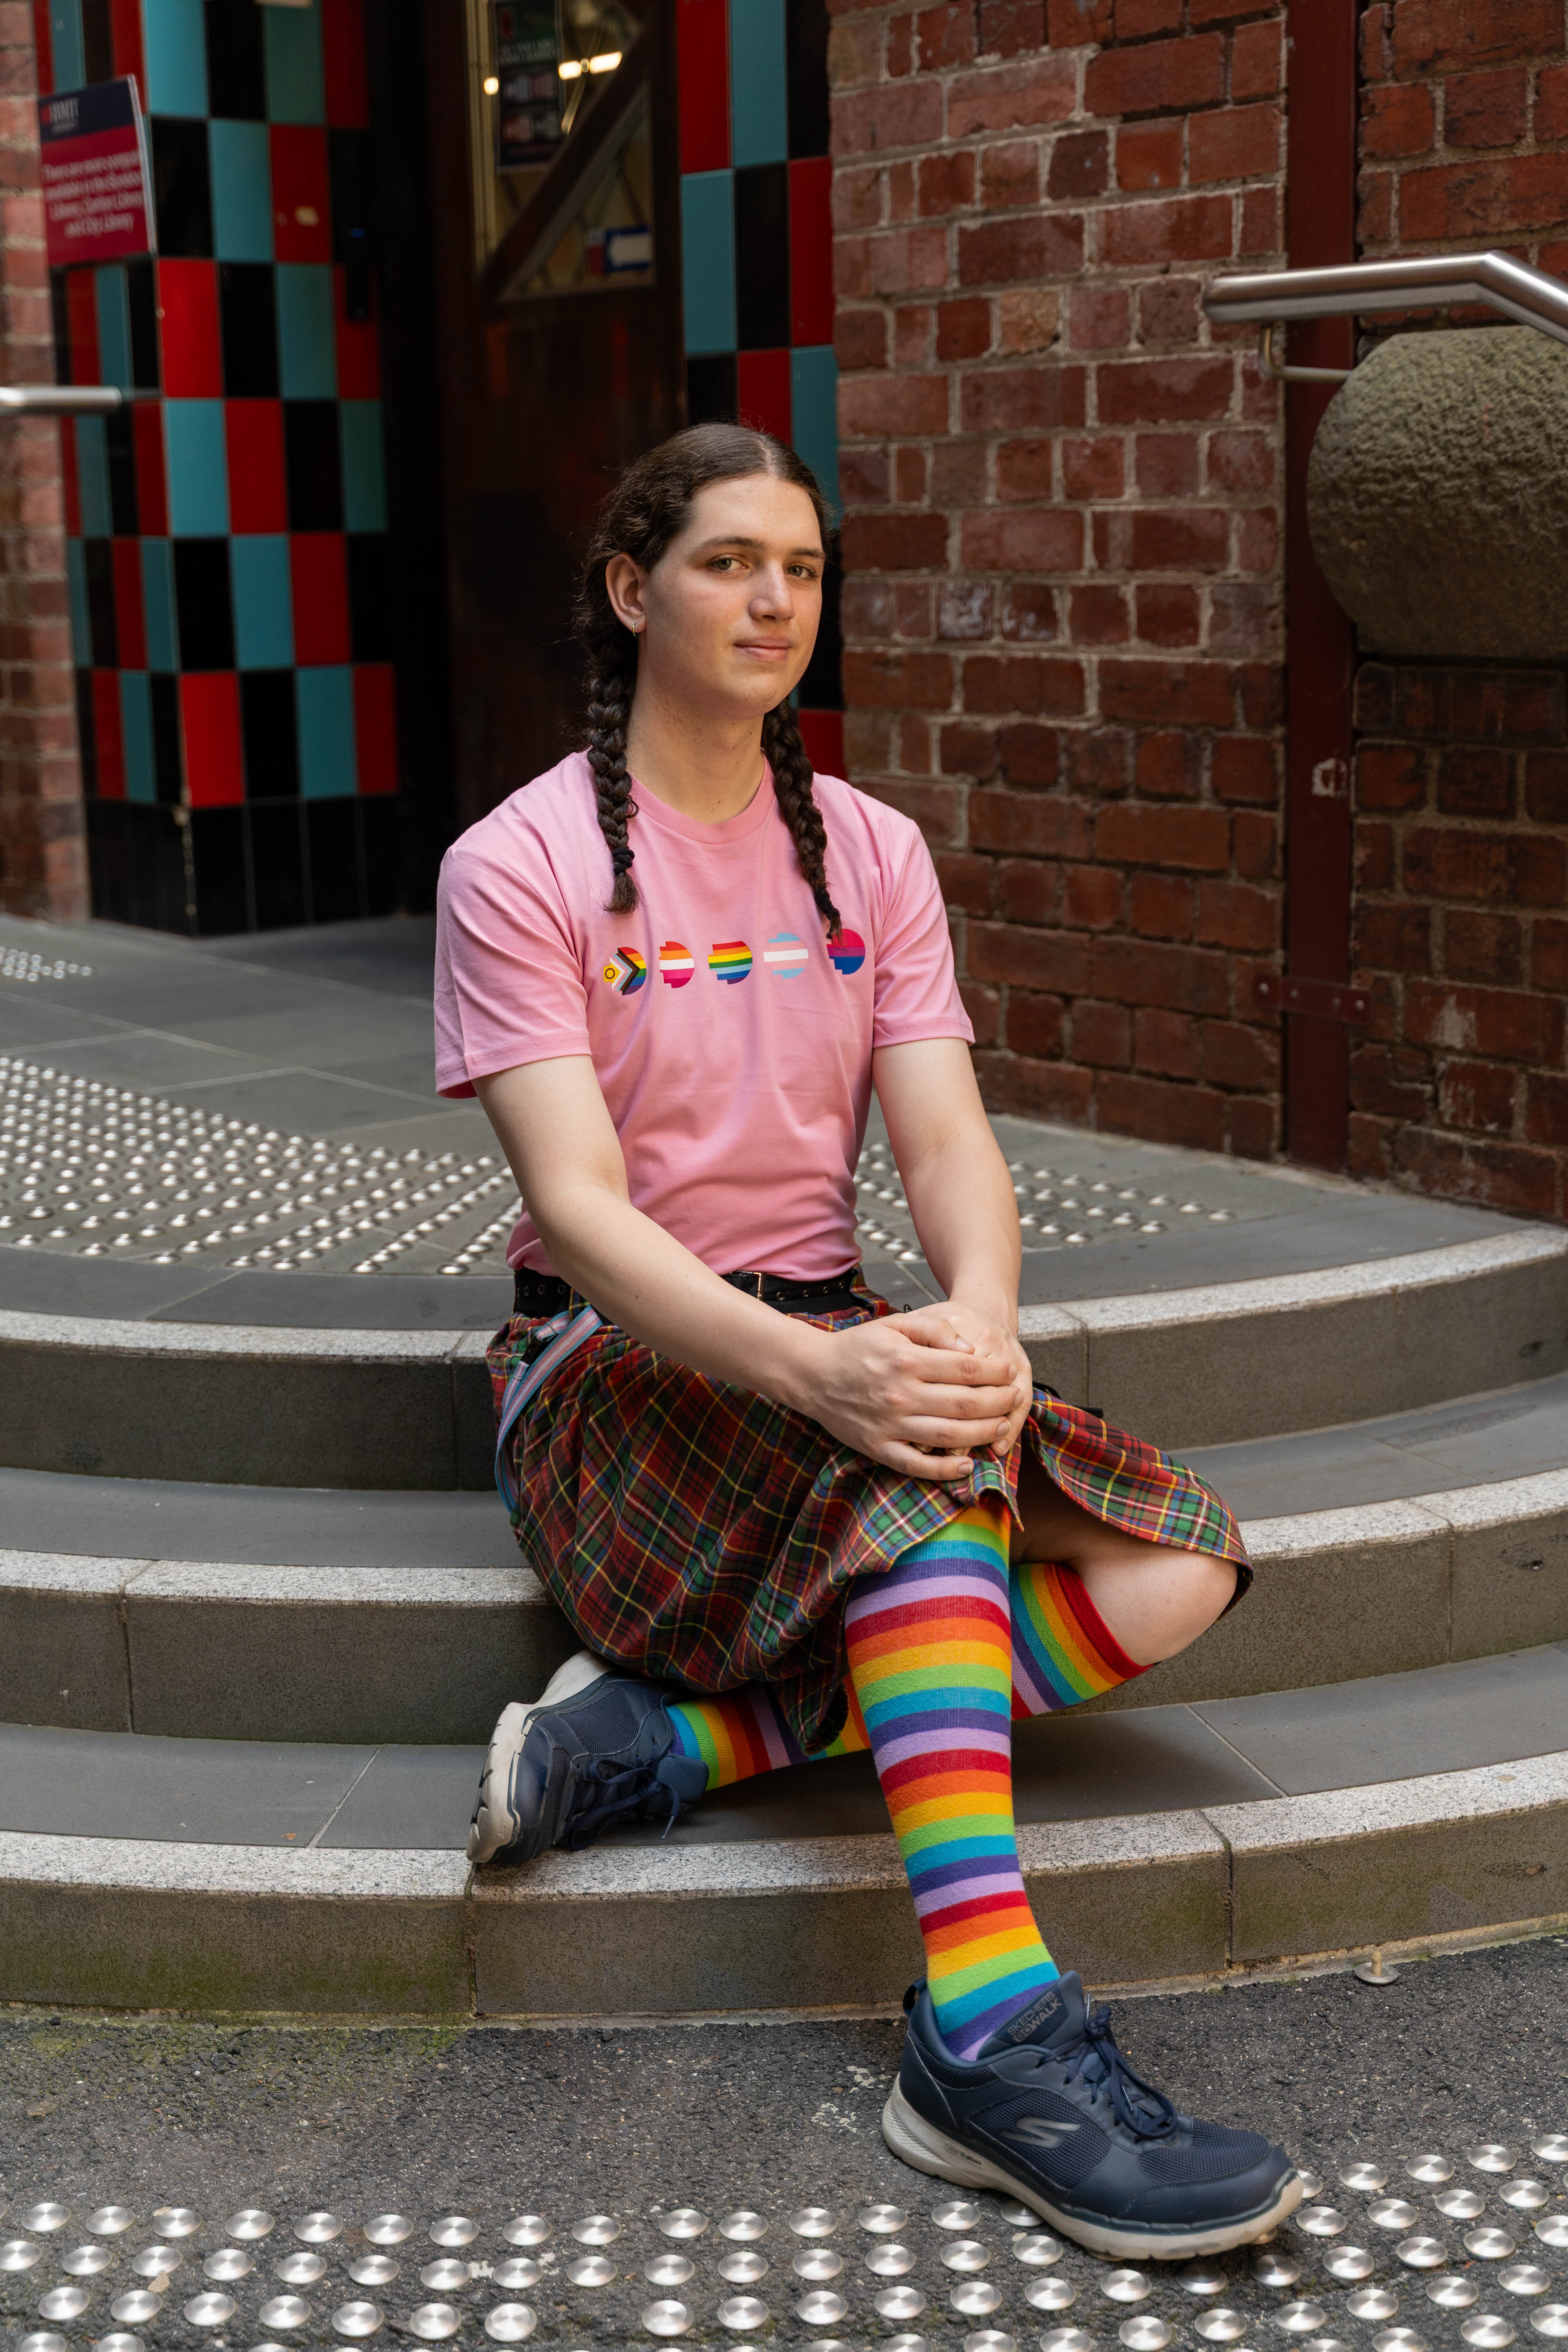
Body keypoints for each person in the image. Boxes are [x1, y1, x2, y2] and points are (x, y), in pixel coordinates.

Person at [434, 422, 1302, 2258]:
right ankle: (984, 2035)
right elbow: (582, 1213)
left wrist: (978, 1327)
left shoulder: (871, 853)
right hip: (609, 1372)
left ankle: (668, 1759)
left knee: (1180, 1568)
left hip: (837, 1344)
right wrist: (828, 1373)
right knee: (927, 1507)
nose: (774, 601)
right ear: (631, 591)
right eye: (729, 561)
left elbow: (943, 1139)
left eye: (803, 570)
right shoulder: (514, 865)